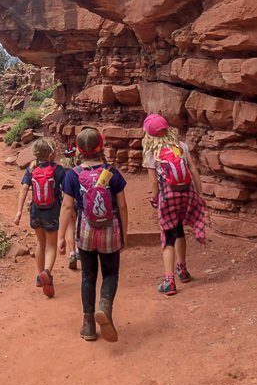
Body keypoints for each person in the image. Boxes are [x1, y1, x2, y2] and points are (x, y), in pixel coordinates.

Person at [58, 127, 128, 343]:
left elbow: (68, 207)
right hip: (109, 231)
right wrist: (124, 235)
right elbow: (122, 207)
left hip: (86, 232)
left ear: (78, 150)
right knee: (110, 274)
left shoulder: (73, 175)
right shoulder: (112, 173)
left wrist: (61, 236)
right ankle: (104, 306)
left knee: (88, 276)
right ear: (101, 147)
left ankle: (88, 325)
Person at [142, 114, 205, 296]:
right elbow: (193, 169)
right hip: (187, 193)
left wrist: (155, 199)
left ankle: (169, 281)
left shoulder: (151, 152)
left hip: (168, 195)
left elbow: (154, 183)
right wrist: (200, 194)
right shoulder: (181, 146)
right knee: (179, 230)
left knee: (168, 235)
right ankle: (183, 270)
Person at [14, 137, 66, 298]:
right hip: (52, 211)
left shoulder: (31, 169)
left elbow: (23, 190)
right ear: (51, 154)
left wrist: (18, 212)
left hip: (36, 211)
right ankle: (47, 273)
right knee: (51, 245)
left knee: (40, 243)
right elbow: (66, 191)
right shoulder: (58, 170)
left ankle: (39, 276)